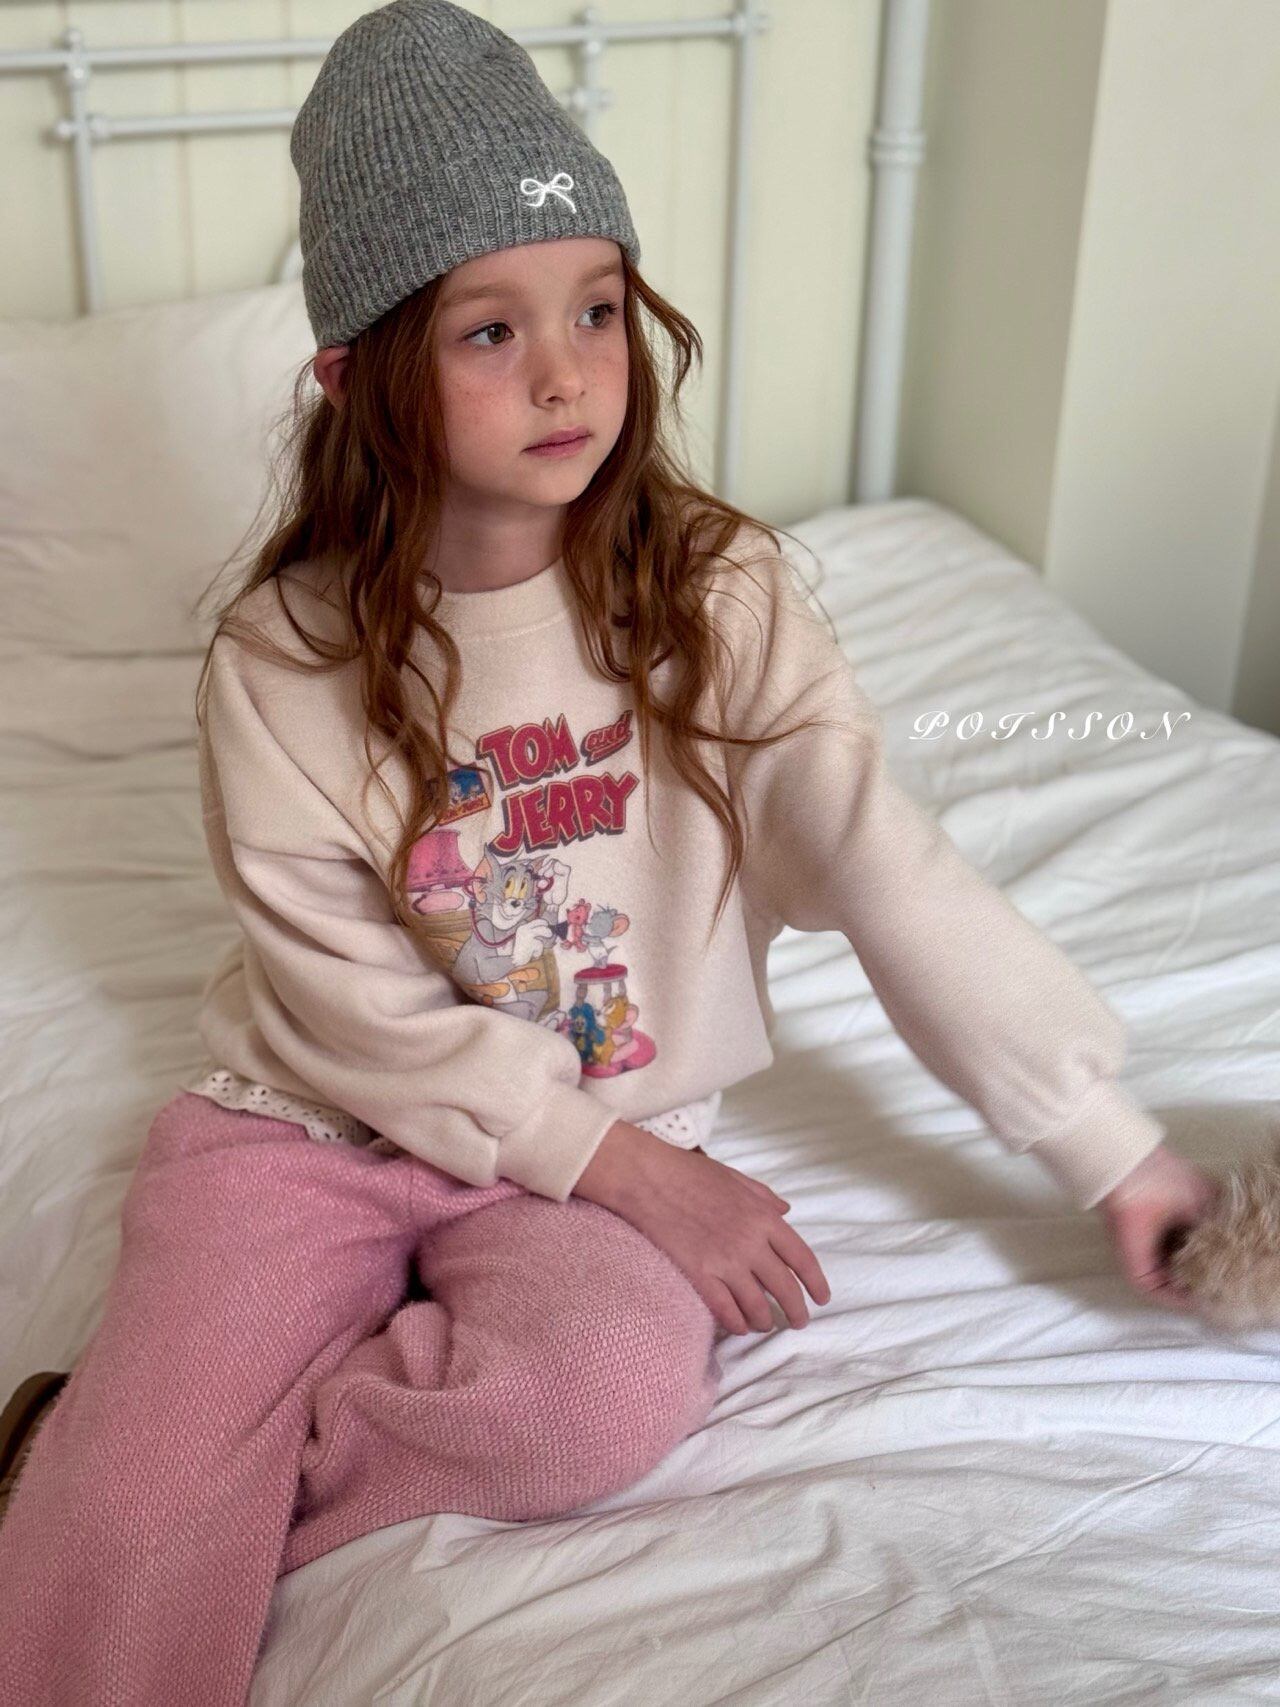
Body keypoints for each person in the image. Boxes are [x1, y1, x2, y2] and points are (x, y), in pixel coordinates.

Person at [0, 2, 1220, 1701]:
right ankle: (134, 1469)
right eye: (489, 332)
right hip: (313, 1122)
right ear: (355, 381)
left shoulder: (716, 602)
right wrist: (647, 1181)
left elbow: (884, 866)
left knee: (596, 1404)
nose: (568, 373)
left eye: (595, 308)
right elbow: (354, 1012)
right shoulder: (283, 663)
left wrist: (1109, 1147)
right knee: (130, 1511)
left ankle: (191, 1456)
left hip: (601, 1128)